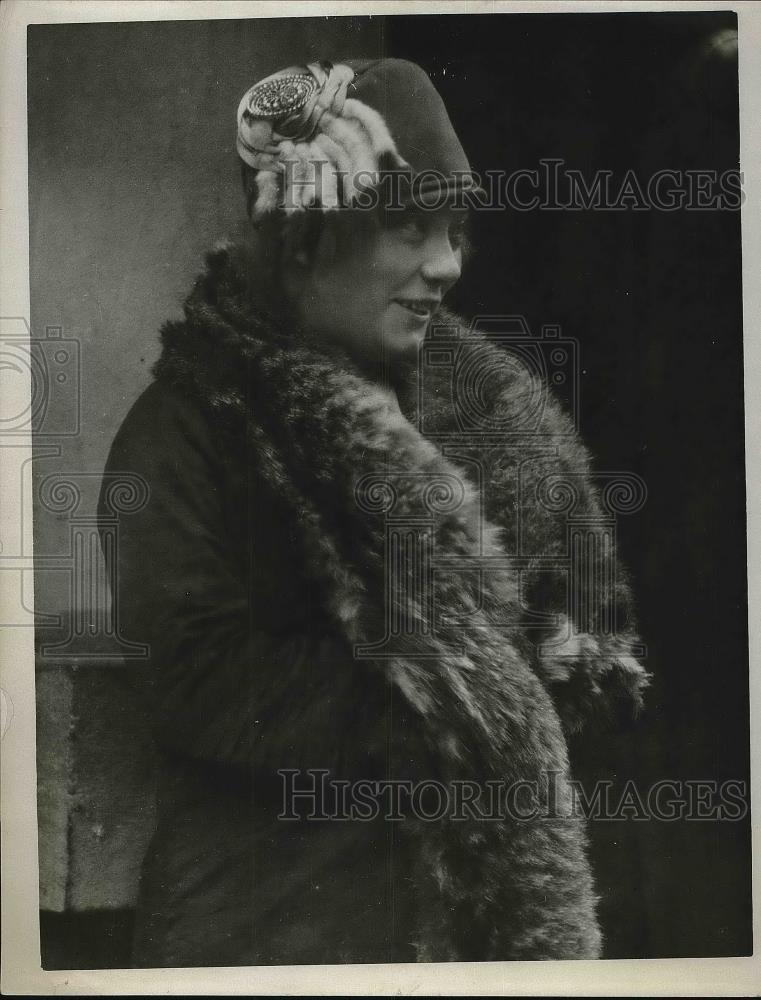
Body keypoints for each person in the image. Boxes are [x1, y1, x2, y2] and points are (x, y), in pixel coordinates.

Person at [99, 57, 649, 967]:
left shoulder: (483, 410)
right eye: (405, 227)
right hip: (271, 927)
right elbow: (193, 676)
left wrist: (530, 662)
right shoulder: (193, 424)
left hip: (470, 928)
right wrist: (441, 690)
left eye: (453, 232)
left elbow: (586, 645)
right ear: (304, 241)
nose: (444, 265)